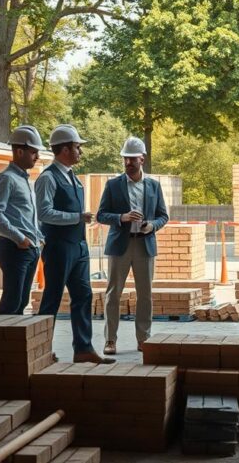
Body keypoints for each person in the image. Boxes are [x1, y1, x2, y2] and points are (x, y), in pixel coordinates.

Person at [35, 124, 112, 364]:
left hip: (78, 246)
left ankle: (83, 349)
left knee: (83, 296)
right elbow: (44, 213)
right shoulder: (48, 178)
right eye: (77, 147)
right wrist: (76, 218)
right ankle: (40, 350)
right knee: (52, 298)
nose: (81, 152)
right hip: (58, 247)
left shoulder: (73, 178)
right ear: (65, 149)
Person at [96, 137, 170, 354]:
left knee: (145, 294)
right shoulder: (112, 185)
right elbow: (101, 214)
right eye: (125, 159)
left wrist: (152, 226)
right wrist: (122, 217)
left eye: (132, 159)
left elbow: (163, 215)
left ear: (142, 159)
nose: (128, 163)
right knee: (113, 294)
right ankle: (110, 340)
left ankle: (143, 338)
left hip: (144, 245)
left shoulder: (154, 186)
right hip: (120, 245)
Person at [0, 125, 45, 315]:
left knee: (21, 301)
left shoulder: (26, 181)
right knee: (12, 301)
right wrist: (20, 238)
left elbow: (26, 216)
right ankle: (1, 342)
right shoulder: (6, 179)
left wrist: (38, 237)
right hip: (13, 247)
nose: (37, 157)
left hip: (29, 248)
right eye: (34, 152)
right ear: (20, 151)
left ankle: (14, 342)